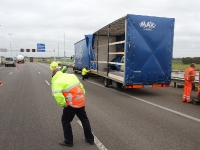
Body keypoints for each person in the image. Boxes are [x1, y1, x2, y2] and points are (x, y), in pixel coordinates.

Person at [51, 68, 94, 147]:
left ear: (54, 75)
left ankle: (68, 141)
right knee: (84, 120)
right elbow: (81, 87)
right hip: (80, 102)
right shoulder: (72, 76)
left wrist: (64, 104)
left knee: (65, 121)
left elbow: (58, 95)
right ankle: (90, 139)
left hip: (71, 105)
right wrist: (80, 97)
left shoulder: (56, 82)